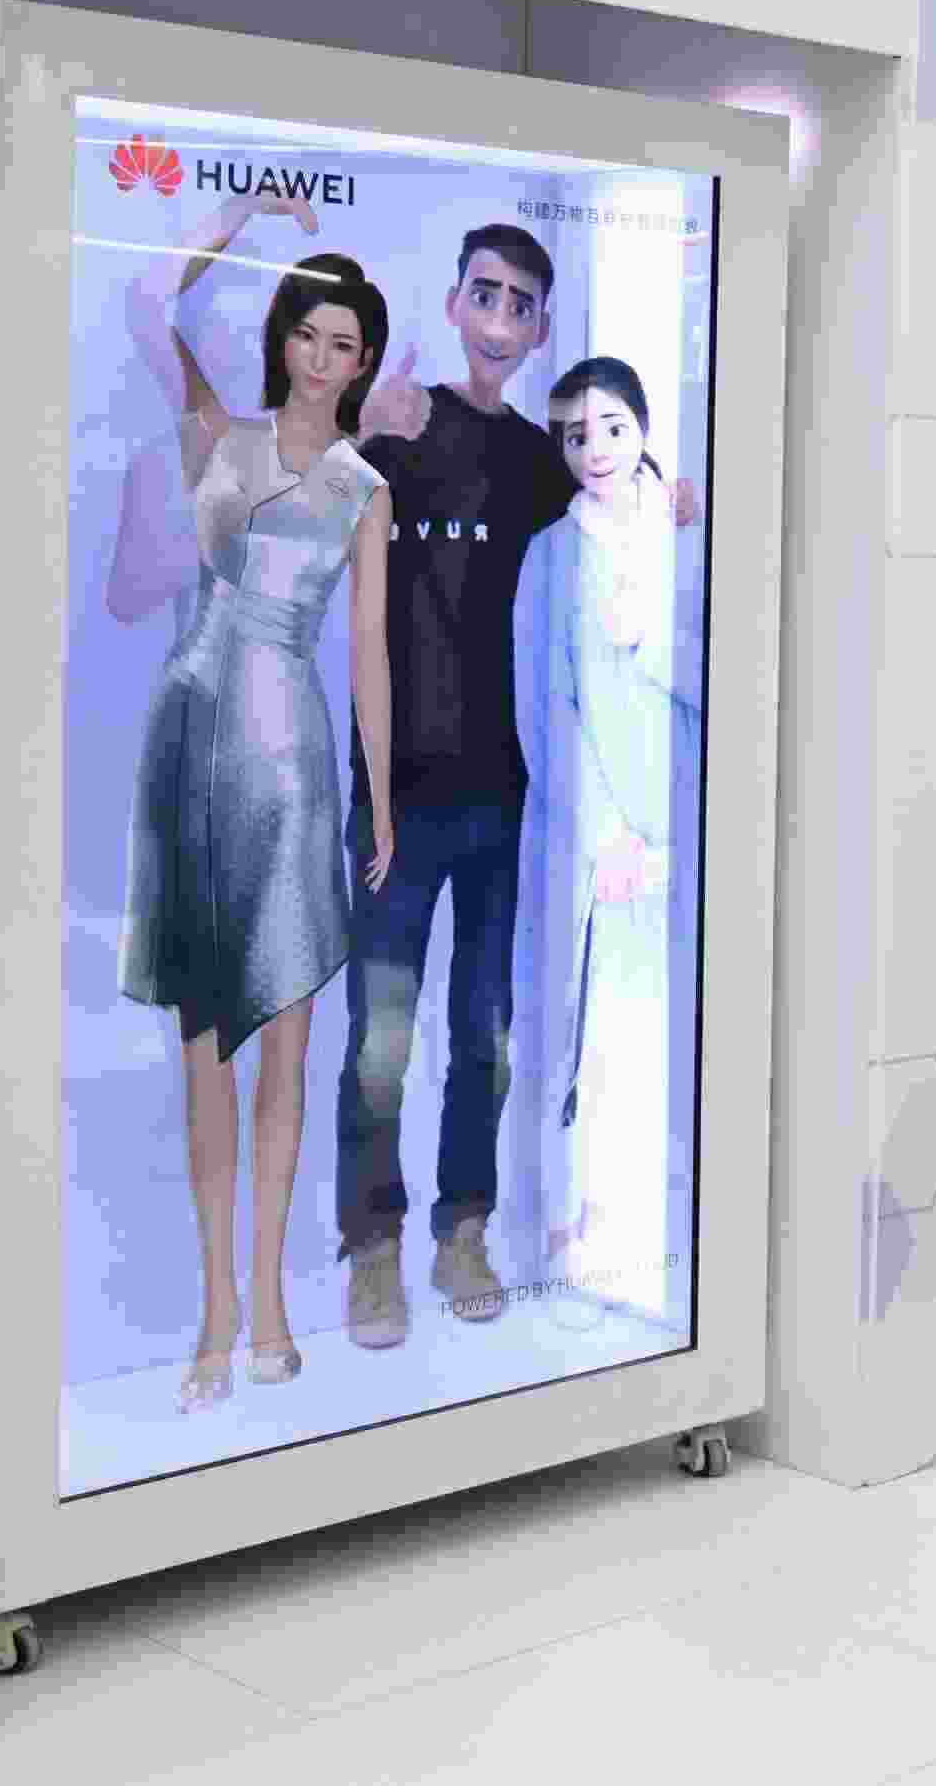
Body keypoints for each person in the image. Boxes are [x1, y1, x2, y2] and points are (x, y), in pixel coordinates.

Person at [337, 226, 696, 1350]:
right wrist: (356, 421)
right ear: (454, 301)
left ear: (540, 326)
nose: (500, 316)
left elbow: (615, 490)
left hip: (505, 798)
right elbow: (300, 492)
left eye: (521, 302)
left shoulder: (543, 461)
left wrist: (673, 494)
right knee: (381, 1038)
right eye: (484, 293)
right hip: (395, 796)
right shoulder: (400, 425)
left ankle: (464, 1232)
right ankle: (372, 1251)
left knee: (483, 1032)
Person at [119, 192, 397, 1410]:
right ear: (284, 335)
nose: (324, 360)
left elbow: (370, 653)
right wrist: (239, 211)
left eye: (347, 346)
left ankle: (273, 1301)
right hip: (190, 741)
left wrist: (380, 801)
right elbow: (151, 301)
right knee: (204, 1050)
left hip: (293, 762)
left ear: (365, 363)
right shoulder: (219, 439)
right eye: (310, 336)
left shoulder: (363, 489)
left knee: (286, 1037)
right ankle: (216, 1311)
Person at [534, 357, 701, 1312]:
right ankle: (592, 1223)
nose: (594, 450)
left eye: (612, 428)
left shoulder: (689, 536)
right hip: (607, 845)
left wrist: (657, 635)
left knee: (687, 1031)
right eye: (575, 435)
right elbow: (545, 707)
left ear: (642, 429)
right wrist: (604, 834)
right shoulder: (551, 558)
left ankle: (674, 1224)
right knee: (599, 1034)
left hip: (695, 825)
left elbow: (729, 673)